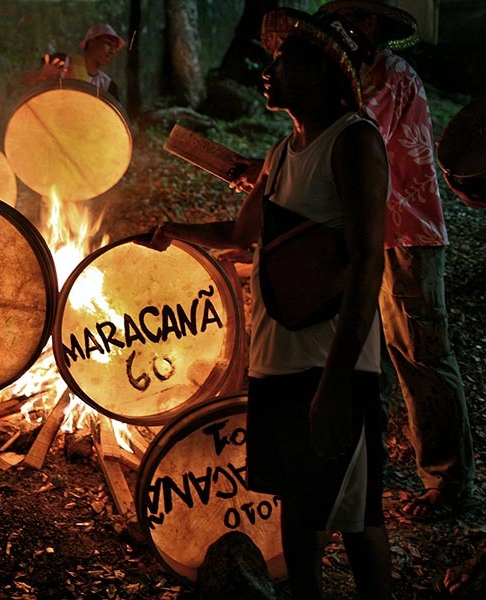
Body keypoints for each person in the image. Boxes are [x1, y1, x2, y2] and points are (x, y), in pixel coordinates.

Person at [150, 8, 391, 598]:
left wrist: (336, 383)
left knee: (357, 513)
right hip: (276, 361)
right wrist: (173, 230)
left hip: (331, 363)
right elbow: (240, 234)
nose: (268, 71)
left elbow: (367, 262)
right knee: (298, 503)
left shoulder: (354, 141)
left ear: (318, 73)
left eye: (282, 62)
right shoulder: (284, 152)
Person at [317, 0, 475, 523]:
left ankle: (448, 480)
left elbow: (357, 138)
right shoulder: (356, 74)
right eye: (347, 19)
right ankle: (379, 461)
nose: (352, 28)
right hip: (373, 233)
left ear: (376, 27)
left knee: (421, 354)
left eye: (362, 20)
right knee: (375, 354)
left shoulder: (387, 74)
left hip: (407, 232)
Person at [20, 23, 125, 99]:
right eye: (108, 44)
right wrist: (40, 75)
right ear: (92, 42)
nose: (112, 51)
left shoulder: (107, 85)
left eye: (115, 48)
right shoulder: (62, 62)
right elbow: (24, 80)